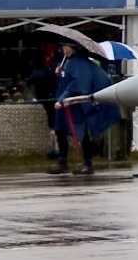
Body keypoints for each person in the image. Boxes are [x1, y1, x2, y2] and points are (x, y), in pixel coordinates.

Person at [50, 42, 117, 176]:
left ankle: (88, 163)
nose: (62, 48)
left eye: (64, 46)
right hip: (65, 102)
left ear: (71, 47)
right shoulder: (67, 62)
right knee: (60, 129)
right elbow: (67, 80)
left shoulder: (79, 62)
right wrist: (60, 73)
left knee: (82, 132)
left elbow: (78, 83)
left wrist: (63, 98)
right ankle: (62, 161)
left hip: (76, 103)